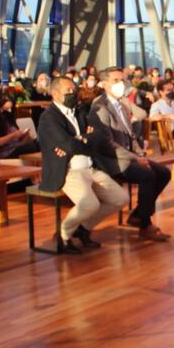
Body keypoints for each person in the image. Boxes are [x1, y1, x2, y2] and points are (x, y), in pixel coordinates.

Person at [37, 77, 128, 253]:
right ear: (55, 94)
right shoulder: (48, 118)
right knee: (90, 204)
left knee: (120, 199)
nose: (73, 93)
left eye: (74, 89)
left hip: (90, 167)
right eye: (68, 91)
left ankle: (82, 229)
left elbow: (97, 136)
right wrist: (78, 142)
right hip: (69, 171)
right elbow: (69, 145)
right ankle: (63, 236)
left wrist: (80, 141)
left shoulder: (79, 111)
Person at [89, 67, 171, 241]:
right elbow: (106, 143)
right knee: (147, 175)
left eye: (122, 80)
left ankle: (138, 214)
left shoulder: (123, 103)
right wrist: (135, 158)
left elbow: (130, 134)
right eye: (115, 80)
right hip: (111, 160)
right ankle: (145, 224)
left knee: (164, 173)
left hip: (129, 156)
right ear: (103, 84)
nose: (120, 84)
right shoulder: (100, 107)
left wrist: (140, 154)